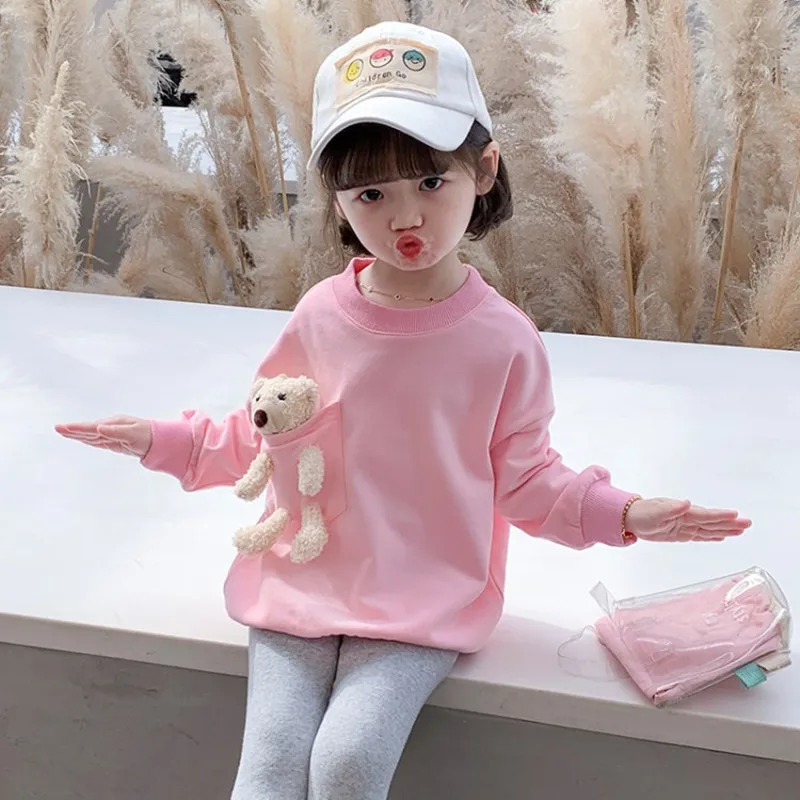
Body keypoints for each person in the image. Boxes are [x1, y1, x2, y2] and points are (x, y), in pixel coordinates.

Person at [55, 21, 751, 800]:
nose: (404, 217)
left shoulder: (502, 342)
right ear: (338, 199)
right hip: (299, 583)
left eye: (430, 181)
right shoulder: (321, 316)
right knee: (270, 768)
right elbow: (267, 434)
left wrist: (626, 512)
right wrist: (162, 439)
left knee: (348, 761)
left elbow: (528, 480)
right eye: (370, 193)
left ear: (484, 169)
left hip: (424, 599)